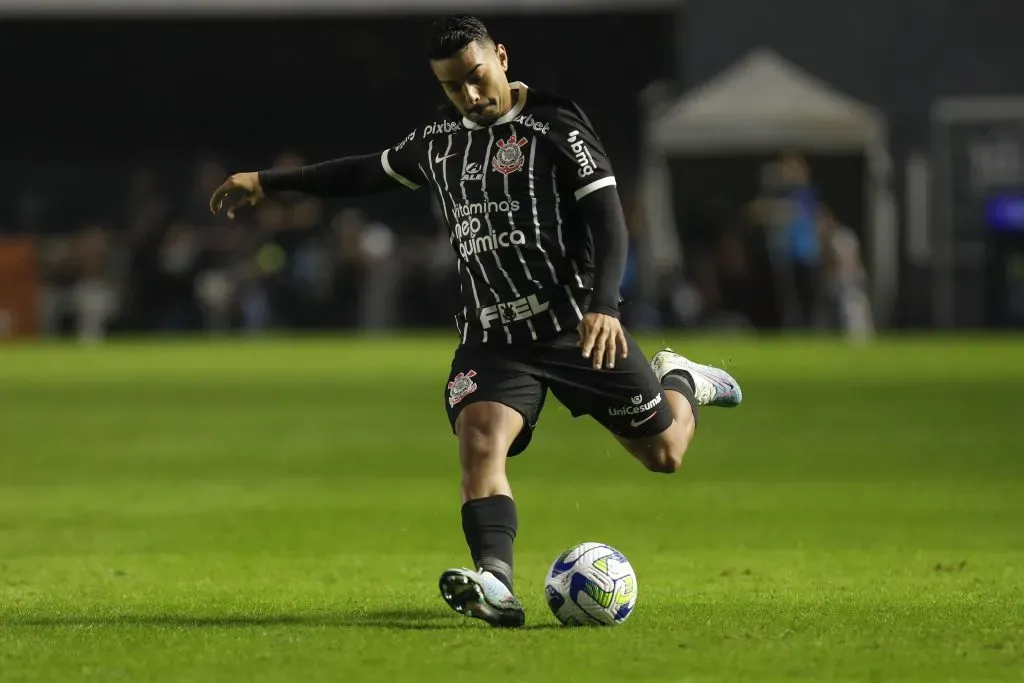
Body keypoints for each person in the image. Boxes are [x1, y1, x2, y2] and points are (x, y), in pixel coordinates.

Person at [210, 15, 743, 628]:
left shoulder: (555, 126)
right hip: (492, 338)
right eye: (452, 86)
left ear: (502, 59)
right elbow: (361, 173)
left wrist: (605, 305)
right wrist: (267, 182)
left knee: (664, 454)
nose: (468, 95)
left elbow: (609, 220)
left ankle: (680, 379)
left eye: (476, 77)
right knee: (480, 443)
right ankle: (495, 580)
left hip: (576, 326)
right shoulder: (439, 141)